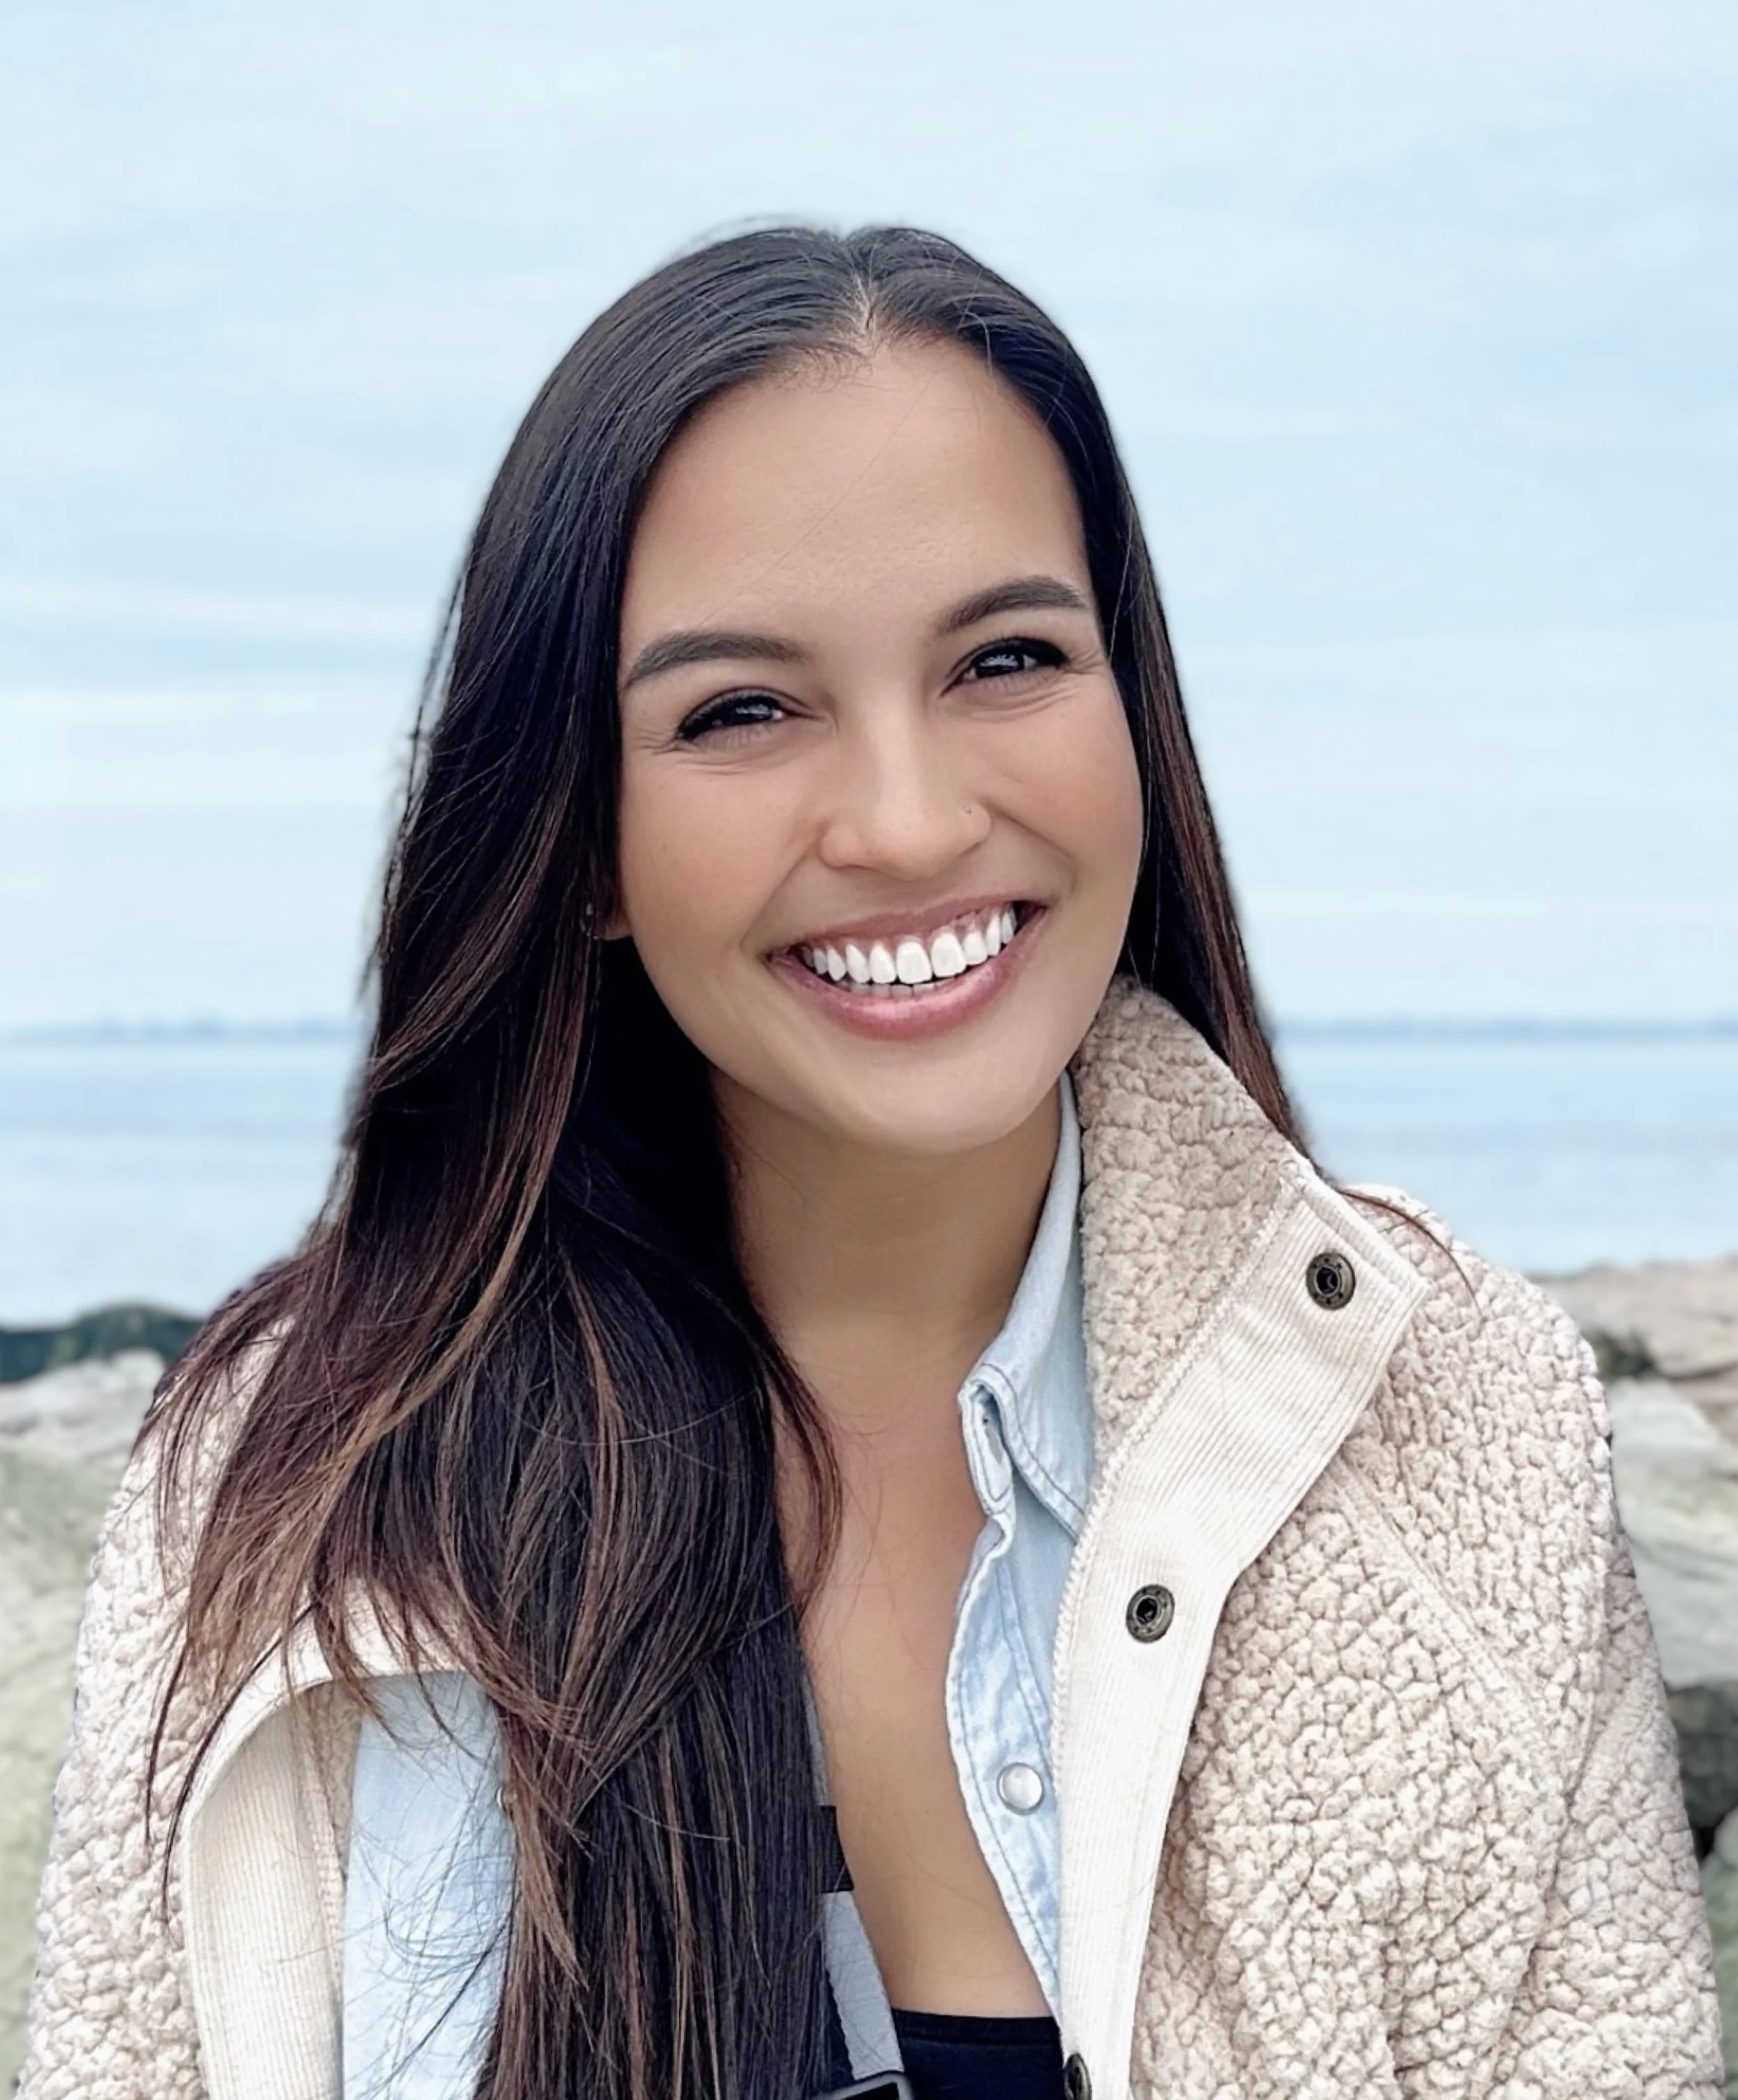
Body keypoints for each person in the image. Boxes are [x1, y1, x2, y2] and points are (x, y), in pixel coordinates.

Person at [21, 226, 1723, 2100]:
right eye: (741, 708)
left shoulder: (1459, 1419)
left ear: (1129, 713)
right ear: (579, 838)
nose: (910, 819)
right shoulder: (282, 1488)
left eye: (1004, 657)